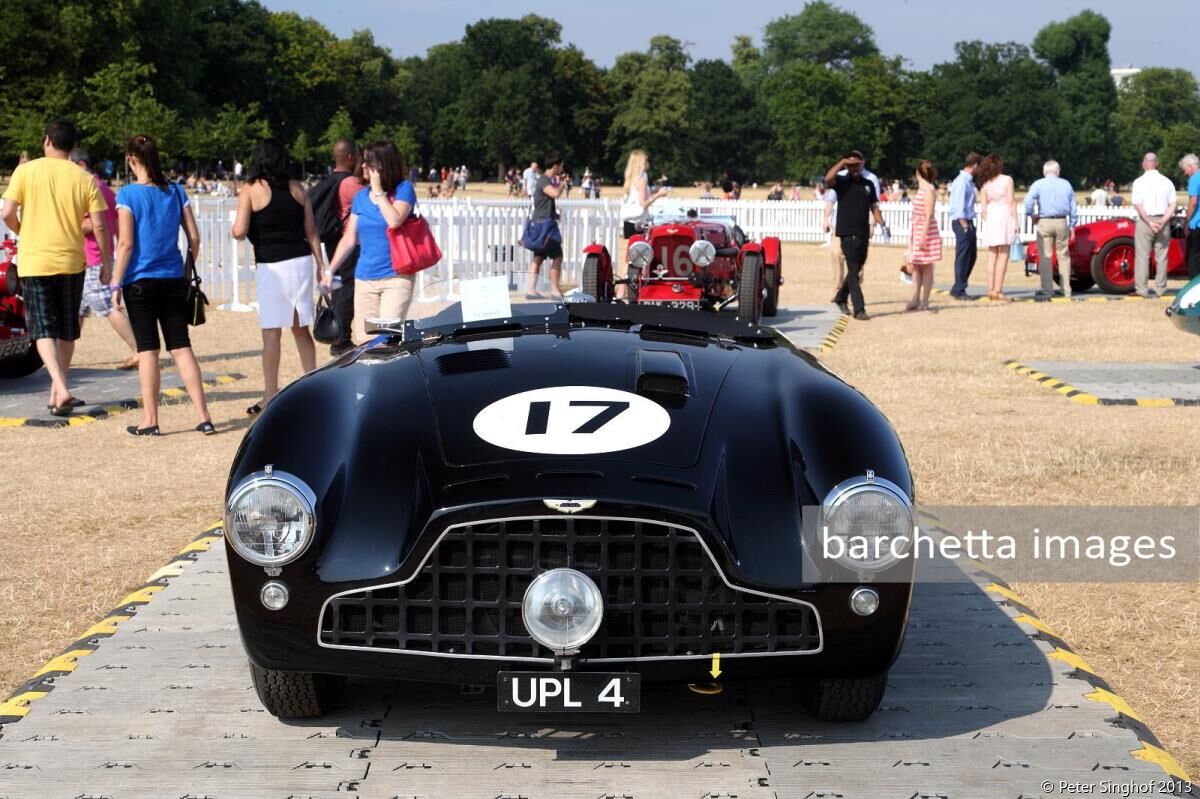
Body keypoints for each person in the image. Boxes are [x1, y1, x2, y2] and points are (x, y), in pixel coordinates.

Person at [1, 119, 112, 416]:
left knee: (42, 328)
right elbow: (100, 225)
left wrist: (23, 229)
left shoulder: (26, 170)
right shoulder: (84, 177)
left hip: (35, 259)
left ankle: (59, 389)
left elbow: (7, 211)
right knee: (66, 328)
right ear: (73, 146)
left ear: (47, 140)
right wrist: (107, 261)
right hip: (71, 259)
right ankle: (59, 390)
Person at [109, 135, 213, 436]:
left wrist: (116, 282)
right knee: (181, 348)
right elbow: (194, 237)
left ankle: (151, 419)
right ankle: (204, 416)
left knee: (148, 351)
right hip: (172, 278)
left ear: (131, 159)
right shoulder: (176, 191)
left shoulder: (127, 194)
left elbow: (126, 243)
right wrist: (183, 270)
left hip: (139, 281)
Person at [231, 138, 325, 416]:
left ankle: (270, 394)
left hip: (272, 265)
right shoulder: (298, 189)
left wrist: (235, 232)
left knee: (271, 333)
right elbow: (311, 231)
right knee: (300, 328)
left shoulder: (251, 189)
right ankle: (315, 385)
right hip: (301, 262)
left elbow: (239, 229)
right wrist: (321, 265)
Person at [324, 140, 418, 344]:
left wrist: (378, 191)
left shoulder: (404, 189)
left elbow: (394, 220)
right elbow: (349, 238)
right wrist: (330, 271)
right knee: (365, 342)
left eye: (369, 162)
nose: (363, 166)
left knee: (386, 338)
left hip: (396, 278)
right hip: (365, 278)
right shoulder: (361, 198)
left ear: (383, 165)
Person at [69, 148, 139, 369]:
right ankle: (64, 361)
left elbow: (92, 224)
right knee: (76, 310)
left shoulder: (87, 187)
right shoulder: (105, 188)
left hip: (92, 256)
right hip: (98, 255)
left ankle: (139, 351)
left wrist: (67, 226)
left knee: (107, 306)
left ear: (80, 165)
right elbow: (116, 221)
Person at [310, 138, 363, 355]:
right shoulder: (350, 184)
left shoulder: (330, 180)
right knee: (347, 289)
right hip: (347, 244)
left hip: (333, 240)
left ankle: (337, 334)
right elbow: (371, 202)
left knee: (340, 287)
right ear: (350, 157)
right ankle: (341, 339)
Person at [824, 151, 887, 320]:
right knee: (854, 270)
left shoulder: (868, 184)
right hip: (846, 233)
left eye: (857, 165)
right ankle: (859, 309)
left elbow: (873, 206)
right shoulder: (842, 182)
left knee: (857, 268)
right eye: (850, 166)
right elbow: (828, 179)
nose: (854, 168)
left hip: (863, 232)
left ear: (862, 164)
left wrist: (882, 223)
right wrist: (842, 162)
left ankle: (840, 297)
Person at [1024, 160, 1079, 298]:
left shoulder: (1038, 184)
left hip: (1044, 221)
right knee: (1064, 256)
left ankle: (1047, 289)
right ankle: (1066, 289)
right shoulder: (1066, 184)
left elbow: (1028, 201)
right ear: (1058, 171)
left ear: (1044, 172)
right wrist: (1072, 224)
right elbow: (1073, 206)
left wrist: (1031, 214)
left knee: (1045, 256)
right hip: (1061, 221)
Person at [1131, 152, 1177, 298]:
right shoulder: (1167, 182)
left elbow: (1138, 205)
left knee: (1142, 256)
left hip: (1146, 220)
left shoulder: (1139, 182)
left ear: (1144, 164)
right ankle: (1160, 288)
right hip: (1163, 219)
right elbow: (1173, 204)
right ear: (1157, 164)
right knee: (1162, 256)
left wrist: (1149, 222)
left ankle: (1142, 289)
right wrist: (1163, 221)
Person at [525, 152, 568, 299]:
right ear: (555, 166)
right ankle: (554, 290)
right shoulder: (544, 180)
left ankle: (531, 290)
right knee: (557, 256)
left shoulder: (544, 180)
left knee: (538, 257)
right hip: (545, 226)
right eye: (560, 166)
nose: (561, 168)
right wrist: (562, 184)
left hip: (541, 223)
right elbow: (555, 193)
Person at [976, 153, 1019, 301]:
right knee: (1003, 255)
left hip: (991, 216)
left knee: (992, 255)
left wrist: (988, 220)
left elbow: (983, 208)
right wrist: (1017, 222)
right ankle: (998, 289)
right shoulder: (1007, 180)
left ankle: (990, 289)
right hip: (1005, 215)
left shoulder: (985, 184)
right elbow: (1011, 202)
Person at [905, 161, 942, 311]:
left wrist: (922, 236)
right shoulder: (922, 189)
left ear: (918, 173)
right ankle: (915, 298)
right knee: (915, 266)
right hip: (917, 229)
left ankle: (924, 300)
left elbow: (928, 215)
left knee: (926, 267)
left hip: (926, 232)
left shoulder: (928, 190)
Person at [948, 152, 981, 299]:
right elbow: (959, 203)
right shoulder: (962, 181)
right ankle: (959, 288)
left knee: (971, 255)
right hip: (963, 222)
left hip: (966, 221)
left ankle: (959, 286)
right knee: (963, 256)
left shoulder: (967, 181)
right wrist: (964, 224)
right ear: (975, 165)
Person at [822, 190, 847, 299]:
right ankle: (838, 291)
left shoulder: (868, 180)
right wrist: (826, 219)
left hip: (858, 227)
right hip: (839, 226)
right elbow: (830, 201)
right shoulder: (839, 180)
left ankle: (853, 291)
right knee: (836, 254)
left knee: (856, 262)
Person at [1183, 154, 1200, 280]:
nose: (1185, 172)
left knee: (1194, 255)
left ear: (1190, 166)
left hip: (1197, 223)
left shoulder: (1194, 179)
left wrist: (1187, 221)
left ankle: (1194, 283)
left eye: (1185, 169)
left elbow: (1193, 202)